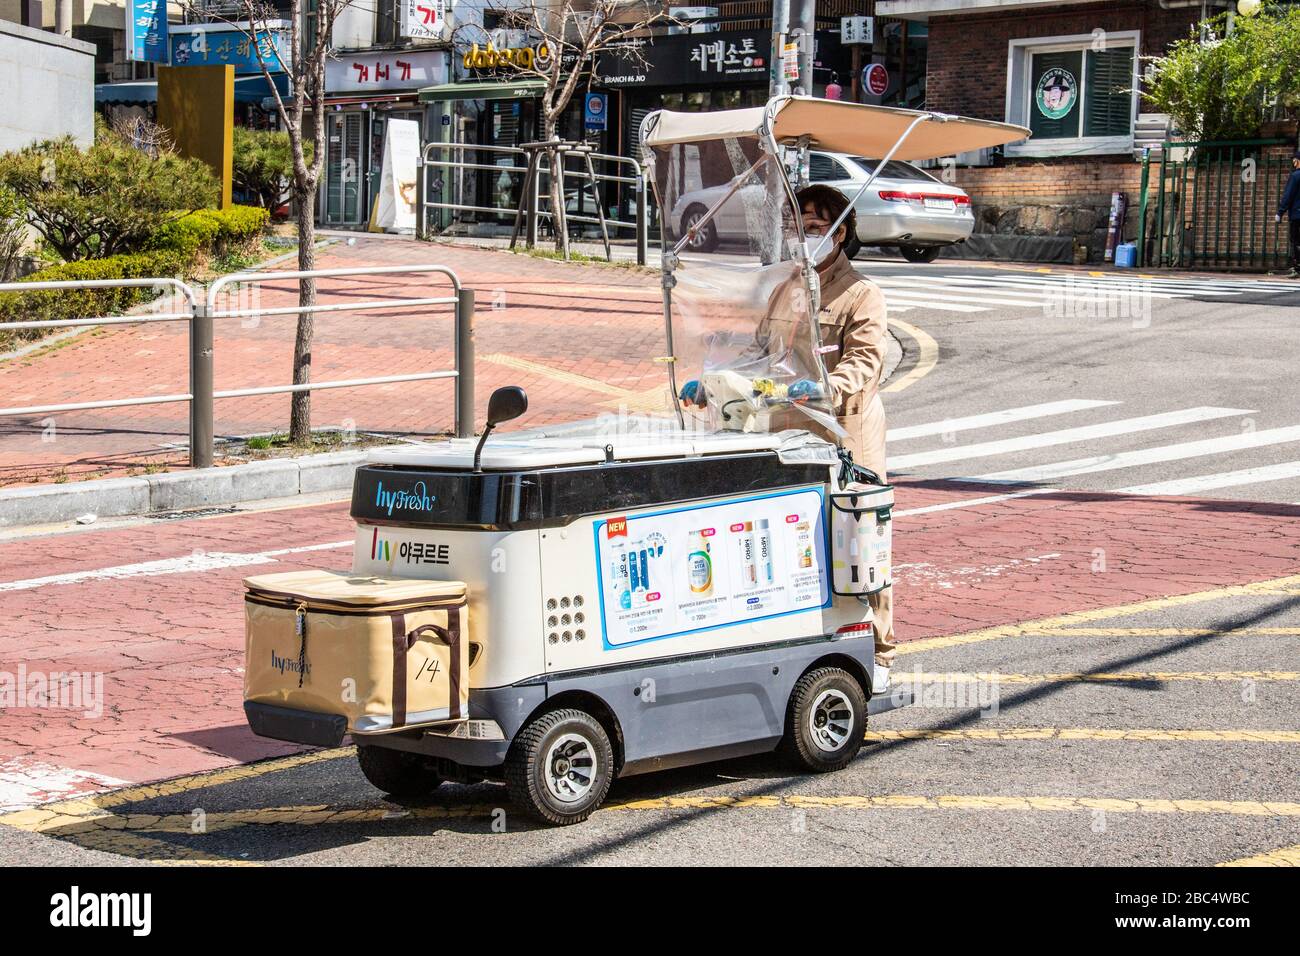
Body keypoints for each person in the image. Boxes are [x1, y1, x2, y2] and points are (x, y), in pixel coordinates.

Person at [678, 184, 896, 688]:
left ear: (841, 234)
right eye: (797, 230)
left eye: (816, 230)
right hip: (788, 432)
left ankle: (880, 650)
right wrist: (715, 383)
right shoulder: (785, 287)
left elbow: (866, 362)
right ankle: (812, 638)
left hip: (846, 432)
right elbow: (760, 354)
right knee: (798, 535)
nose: (804, 240)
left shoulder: (862, 294)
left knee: (859, 537)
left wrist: (825, 388)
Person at [1277, 149, 1300, 279]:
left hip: (1297, 215)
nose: (1293, 161)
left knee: (1296, 241)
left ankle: (1297, 268)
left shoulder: (1295, 176)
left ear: (1297, 161)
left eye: (1294, 159)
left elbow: (1288, 196)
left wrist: (1280, 212)